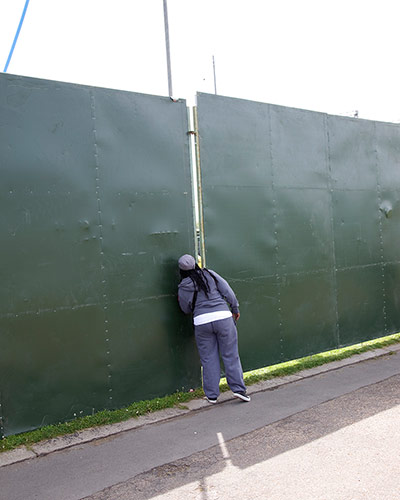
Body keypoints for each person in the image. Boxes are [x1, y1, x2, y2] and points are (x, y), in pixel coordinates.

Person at [177, 254, 250, 403]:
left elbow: (185, 309)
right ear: (196, 265)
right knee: (230, 354)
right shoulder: (209, 274)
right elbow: (228, 292)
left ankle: (212, 395)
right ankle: (239, 390)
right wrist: (235, 308)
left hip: (201, 321)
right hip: (223, 317)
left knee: (208, 358)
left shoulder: (183, 285)